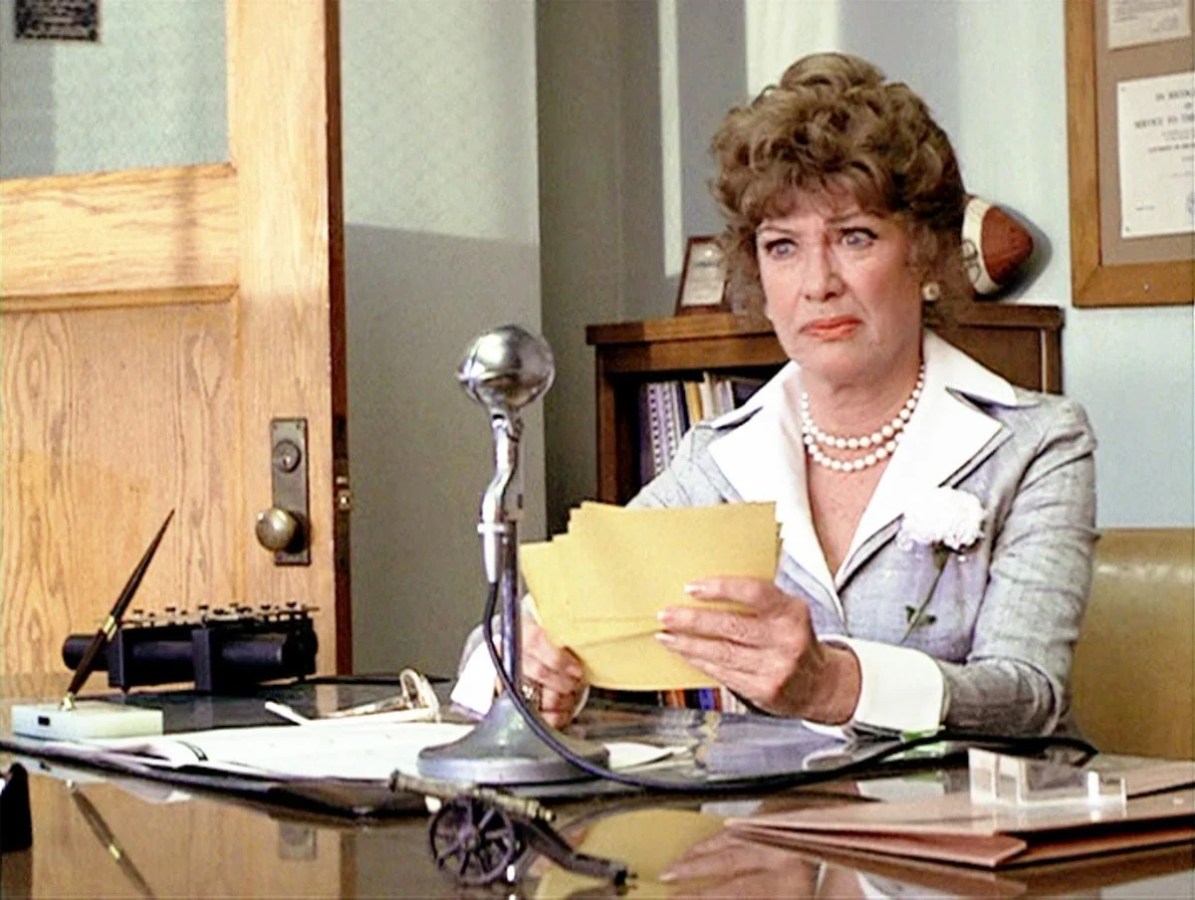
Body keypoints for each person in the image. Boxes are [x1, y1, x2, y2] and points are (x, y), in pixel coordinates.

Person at [467, 52, 1097, 737]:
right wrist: (531, 667)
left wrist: (834, 683)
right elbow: (512, 643)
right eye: (782, 246)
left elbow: (1028, 696)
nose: (817, 282)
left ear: (922, 253)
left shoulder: (1037, 442)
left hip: (981, 829)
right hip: (772, 833)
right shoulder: (718, 458)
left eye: (853, 237)